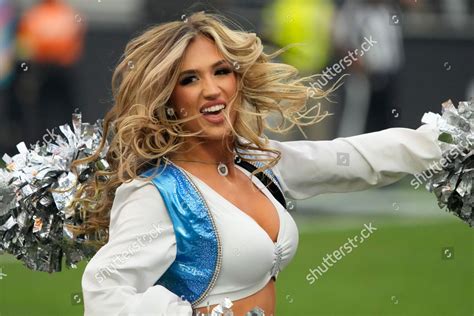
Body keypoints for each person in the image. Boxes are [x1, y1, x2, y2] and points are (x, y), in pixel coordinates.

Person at [79, 11, 442, 315]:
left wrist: (447, 143)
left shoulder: (258, 163)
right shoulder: (155, 194)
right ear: (168, 98)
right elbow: (104, 295)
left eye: (221, 71)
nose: (212, 89)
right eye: (190, 79)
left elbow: (355, 159)